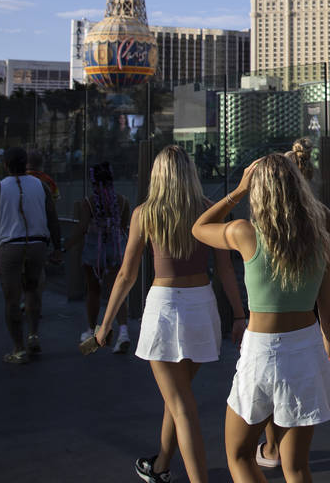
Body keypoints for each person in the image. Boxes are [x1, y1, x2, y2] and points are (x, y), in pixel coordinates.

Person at [93, 145, 246, 483]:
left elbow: (126, 275)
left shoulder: (145, 213)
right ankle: (161, 465)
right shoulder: (209, 210)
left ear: (157, 176)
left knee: (181, 404)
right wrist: (238, 315)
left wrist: (105, 324)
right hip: (202, 305)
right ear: (190, 173)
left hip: (165, 307)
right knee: (178, 396)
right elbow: (225, 269)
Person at [193, 153, 330, 483]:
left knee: (240, 453)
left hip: (262, 352)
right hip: (307, 349)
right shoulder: (320, 240)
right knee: (297, 466)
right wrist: (329, 357)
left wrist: (239, 189)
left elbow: (199, 228)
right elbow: (329, 314)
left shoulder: (247, 234)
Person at [256, 138, 330, 481]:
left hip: (278, 315)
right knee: (329, 381)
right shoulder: (319, 213)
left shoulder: (269, 216)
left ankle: (271, 449)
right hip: (312, 314)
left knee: (266, 384)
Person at [0, 146, 63, 363]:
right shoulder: (41, 185)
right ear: (25, 164)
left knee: (12, 299)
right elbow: (53, 218)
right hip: (37, 246)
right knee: (32, 291)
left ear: (5, 165)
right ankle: (33, 335)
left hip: (10, 246)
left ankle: (18, 349)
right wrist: (58, 248)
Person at [73, 162, 132, 352]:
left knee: (93, 291)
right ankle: (123, 332)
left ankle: (91, 330)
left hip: (93, 251)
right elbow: (123, 228)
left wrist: (63, 247)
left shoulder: (88, 203)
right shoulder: (122, 201)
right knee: (118, 292)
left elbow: (82, 228)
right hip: (115, 249)